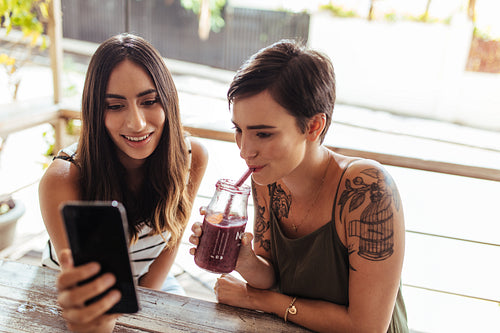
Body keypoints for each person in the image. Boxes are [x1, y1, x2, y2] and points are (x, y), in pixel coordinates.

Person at [189, 39, 408, 332]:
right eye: (239, 130)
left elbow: (366, 328)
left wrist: (260, 300)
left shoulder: (367, 190)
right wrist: (243, 260)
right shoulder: (266, 177)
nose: (245, 150)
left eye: (263, 134)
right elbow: (271, 276)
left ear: (314, 127)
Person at [39, 33, 208, 332]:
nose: (137, 123)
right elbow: (89, 298)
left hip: (150, 286)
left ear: (168, 100)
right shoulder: (64, 177)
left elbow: (172, 240)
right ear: (96, 112)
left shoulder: (192, 156)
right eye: (115, 106)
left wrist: (143, 308)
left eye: (150, 101)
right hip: (74, 301)